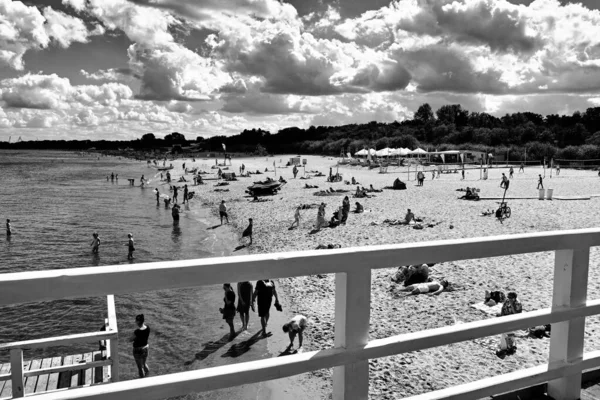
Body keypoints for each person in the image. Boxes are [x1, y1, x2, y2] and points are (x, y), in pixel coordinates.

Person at [129, 314, 150, 378]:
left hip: (138, 350)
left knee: (140, 368)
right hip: (145, 348)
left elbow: (130, 339)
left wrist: (135, 338)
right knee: (144, 364)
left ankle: (142, 381)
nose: (135, 322)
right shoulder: (148, 328)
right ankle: (148, 376)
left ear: (138, 322)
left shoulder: (137, 331)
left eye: (136, 321)